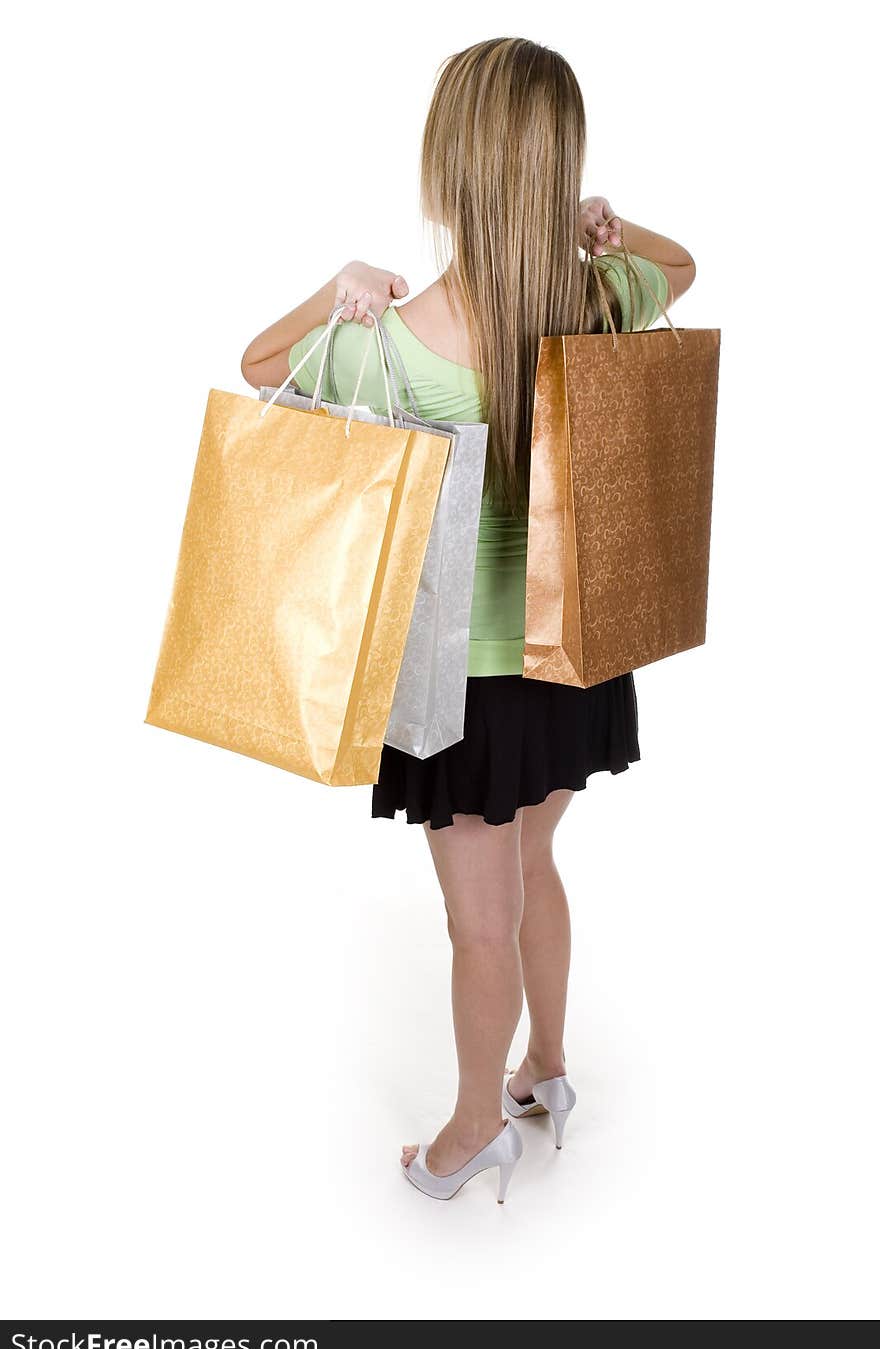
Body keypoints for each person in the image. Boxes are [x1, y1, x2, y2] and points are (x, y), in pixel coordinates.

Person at [241, 37, 696, 1203]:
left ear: (447, 165)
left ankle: (467, 1130)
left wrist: (342, 278)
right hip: (576, 656)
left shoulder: (389, 341)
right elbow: (680, 267)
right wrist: (611, 227)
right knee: (537, 860)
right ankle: (546, 1065)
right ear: (556, 164)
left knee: (477, 922)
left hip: (464, 690)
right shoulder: (604, 295)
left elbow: (260, 365)